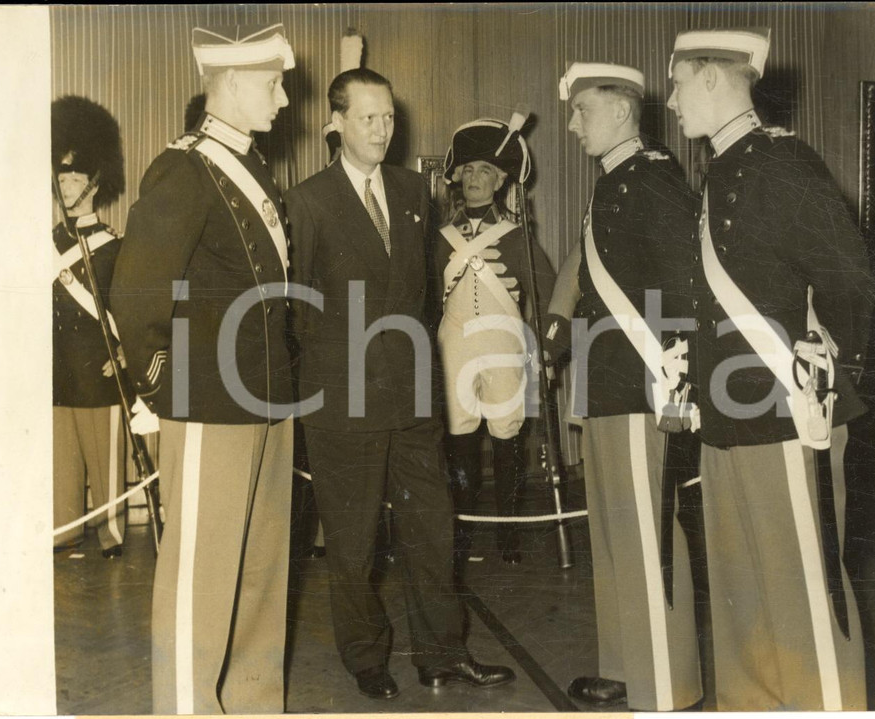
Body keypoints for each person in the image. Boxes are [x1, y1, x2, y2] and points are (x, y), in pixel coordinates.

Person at [284, 67, 515, 701]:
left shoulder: (415, 191)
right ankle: (366, 657)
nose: (382, 129)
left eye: (389, 117)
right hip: (343, 399)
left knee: (432, 530)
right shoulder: (306, 201)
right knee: (354, 542)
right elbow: (297, 311)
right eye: (368, 118)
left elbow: (424, 294)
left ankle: (443, 654)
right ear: (336, 123)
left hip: (411, 396)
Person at [666, 27, 873, 710]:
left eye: (677, 85)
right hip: (727, 412)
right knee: (742, 589)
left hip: (787, 408)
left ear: (710, 78)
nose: (671, 102)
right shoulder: (719, 170)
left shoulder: (782, 163)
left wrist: (828, 364)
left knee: (801, 588)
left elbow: (850, 278)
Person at [110, 23, 296, 714]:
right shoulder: (184, 169)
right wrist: (167, 388)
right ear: (234, 83)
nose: (283, 100)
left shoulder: (253, 165)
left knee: (258, 576)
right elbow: (136, 294)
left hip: (268, 401)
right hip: (208, 402)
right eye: (274, 85)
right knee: (201, 580)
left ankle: (251, 704)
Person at [542, 62, 703, 711]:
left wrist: (678, 383)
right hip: (605, 380)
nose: (572, 124)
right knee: (613, 533)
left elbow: (683, 285)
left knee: (647, 534)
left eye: (582, 111)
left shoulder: (654, 179)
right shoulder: (614, 181)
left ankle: (666, 683)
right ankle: (625, 667)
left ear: (619, 110)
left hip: (641, 381)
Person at [436, 119, 556, 566]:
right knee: (460, 438)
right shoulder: (441, 238)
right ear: (457, 176)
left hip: (504, 343)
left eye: (485, 170)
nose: (474, 178)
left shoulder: (516, 235)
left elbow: (546, 293)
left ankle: (508, 532)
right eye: (468, 170)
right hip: (453, 344)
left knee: (507, 437)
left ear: (501, 180)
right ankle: (463, 532)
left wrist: (547, 350)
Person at [51, 95, 127, 559]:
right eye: (61, 179)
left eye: (75, 179)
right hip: (58, 369)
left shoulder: (113, 246)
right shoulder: (46, 244)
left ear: (94, 185)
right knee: (61, 461)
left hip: (98, 369)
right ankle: (64, 533)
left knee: (104, 460)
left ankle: (110, 534)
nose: (65, 187)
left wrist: (121, 353)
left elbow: (125, 310)